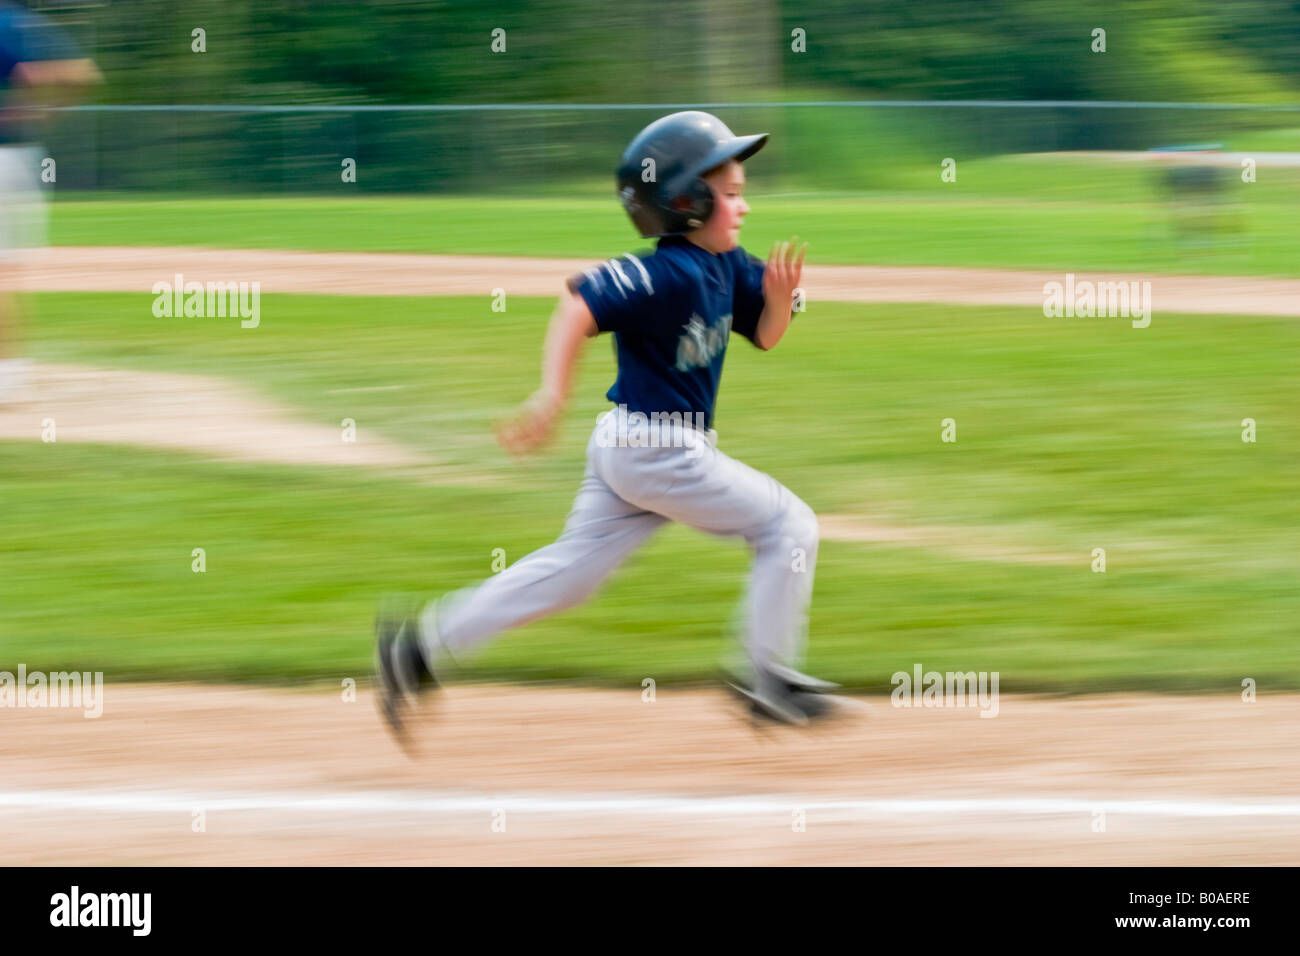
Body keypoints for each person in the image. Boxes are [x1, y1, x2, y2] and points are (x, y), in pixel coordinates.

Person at [376, 111, 838, 743]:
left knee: (571, 577)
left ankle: (418, 647)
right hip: (655, 448)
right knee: (789, 524)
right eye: (730, 194)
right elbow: (577, 305)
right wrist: (550, 394)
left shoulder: (728, 266)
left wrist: (780, 302)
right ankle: (768, 680)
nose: (744, 206)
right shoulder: (662, 271)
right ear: (687, 200)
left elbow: (765, 335)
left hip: (641, 451)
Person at [0, 0, 101, 402]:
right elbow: (81, 74)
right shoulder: (13, 17)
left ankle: (8, 377)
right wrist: (41, 112)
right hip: (16, 154)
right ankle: (9, 374)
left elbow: (56, 73)